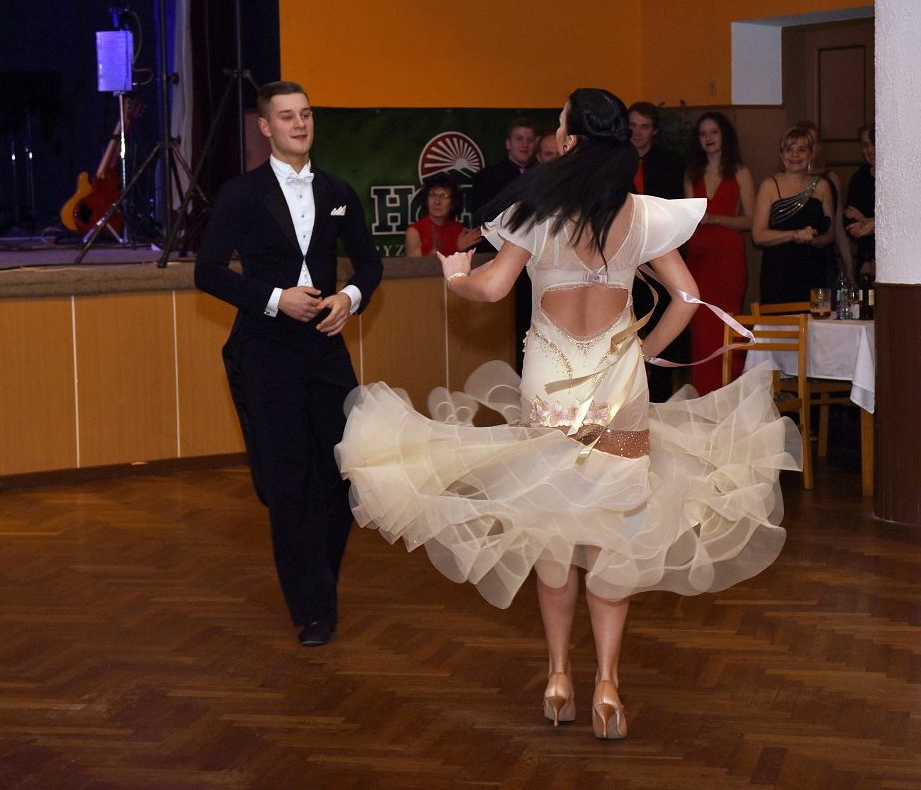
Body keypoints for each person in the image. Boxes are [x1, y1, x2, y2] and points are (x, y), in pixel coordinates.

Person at [337, 89, 800, 740]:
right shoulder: (639, 213)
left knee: (553, 524)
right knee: (614, 527)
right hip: (619, 381)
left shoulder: (538, 208)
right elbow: (689, 296)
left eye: (560, 126)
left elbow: (492, 287)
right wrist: (643, 352)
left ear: (575, 138)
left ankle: (558, 676)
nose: (555, 135)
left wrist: (456, 275)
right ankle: (608, 683)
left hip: (551, 378)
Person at [194, 80, 383, 647]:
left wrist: (348, 299)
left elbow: (370, 265)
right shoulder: (241, 194)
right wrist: (276, 299)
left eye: (305, 114)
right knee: (287, 481)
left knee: (343, 473)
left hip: (325, 349)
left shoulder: (338, 190)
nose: (299, 124)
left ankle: (321, 580)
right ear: (265, 127)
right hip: (266, 350)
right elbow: (207, 272)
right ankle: (313, 606)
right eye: (286, 116)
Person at [683, 111, 754, 394]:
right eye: (703, 134)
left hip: (728, 257)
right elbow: (688, 219)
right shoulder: (691, 174)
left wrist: (716, 219)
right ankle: (703, 396)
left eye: (714, 132)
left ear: (725, 136)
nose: (708, 138)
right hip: (699, 256)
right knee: (701, 329)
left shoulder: (740, 172)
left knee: (728, 323)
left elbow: (751, 220)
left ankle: (730, 393)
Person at [627, 101, 687, 400]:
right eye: (632, 126)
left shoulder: (670, 163)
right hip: (626, 255)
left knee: (664, 318)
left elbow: (676, 210)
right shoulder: (616, 161)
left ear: (654, 131)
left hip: (661, 251)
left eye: (644, 127)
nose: (637, 132)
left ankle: (661, 399)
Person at [472, 117, 540, 372]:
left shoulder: (543, 176)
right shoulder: (488, 177)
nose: (525, 144)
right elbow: (481, 218)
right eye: (519, 139)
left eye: (529, 139)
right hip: (499, 260)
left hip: (536, 263)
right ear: (508, 143)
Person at [752, 127, 836, 304]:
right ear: (781, 155)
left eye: (802, 149)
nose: (795, 155)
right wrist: (793, 234)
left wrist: (812, 240)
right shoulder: (769, 185)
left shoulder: (822, 185)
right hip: (778, 272)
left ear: (811, 154)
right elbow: (758, 235)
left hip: (813, 270)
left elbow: (830, 233)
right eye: (789, 149)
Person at [795, 119, 854, 282]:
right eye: (806, 144)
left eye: (814, 143)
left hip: (823, 253)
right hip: (795, 252)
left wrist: (848, 262)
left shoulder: (830, 178)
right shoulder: (786, 180)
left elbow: (837, 224)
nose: (810, 148)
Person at [404, 173, 481, 257]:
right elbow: (414, 265)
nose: (437, 201)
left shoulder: (460, 231)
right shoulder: (414, 231)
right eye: (433, 195)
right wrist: (456, 250)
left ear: (453, 203)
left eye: (444, 196)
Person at [844, 124, 876, 277]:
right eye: (865, 145)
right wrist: (869, 224)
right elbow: (849, 218)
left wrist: (866, 221)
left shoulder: (899, 176)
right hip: (865, 258)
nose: (870, 150)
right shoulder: (860, 177)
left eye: (874, 143)